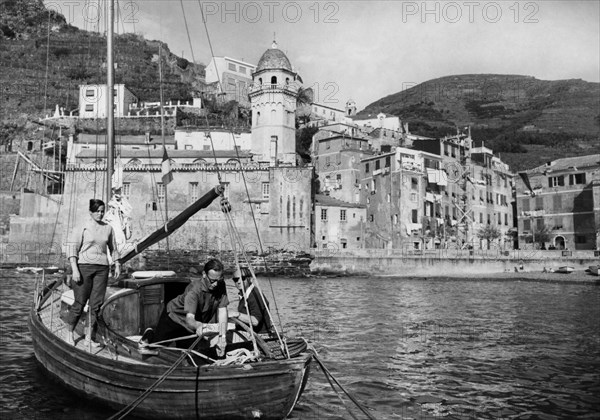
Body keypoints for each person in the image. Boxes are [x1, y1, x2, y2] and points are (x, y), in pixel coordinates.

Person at [142, 258, 229, 357]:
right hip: (174, 317)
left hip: (193, 322)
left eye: (219, 280)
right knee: (154, 348)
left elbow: (222, 311)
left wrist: (223, 337)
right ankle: (149, 333)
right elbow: (189, 319)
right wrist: (199, 326)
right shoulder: (194, 290)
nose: (216, 284)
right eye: (213, 281)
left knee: (189, 354)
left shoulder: (220, 285)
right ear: (204, 274)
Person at [64, 198, 120, 346]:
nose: (100, 214)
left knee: (95, 305)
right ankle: (69, 333)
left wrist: (117, 263)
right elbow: (72, 248)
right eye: (97, 212)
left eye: (102, 211)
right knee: (79, 302)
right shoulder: (82, 227)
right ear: (91, 212)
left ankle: (88, 337)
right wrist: (74, 269)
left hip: (102, 269)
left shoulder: (108, 228)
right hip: (83, 268)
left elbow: (113, 248)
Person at [228, 267, 272, 335]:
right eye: (236, 279)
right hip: (247, 332)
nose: (239, 282)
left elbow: (255, 321)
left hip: (259, 336)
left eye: (243, 278)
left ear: (250, 279)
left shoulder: (255, 295)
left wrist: (236, 314)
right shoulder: (245, 294)